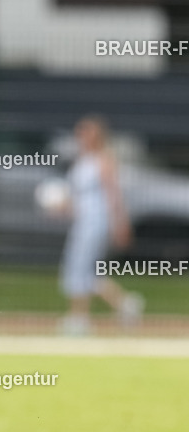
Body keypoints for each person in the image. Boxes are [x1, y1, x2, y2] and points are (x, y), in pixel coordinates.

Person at [57, 115, 144, 335]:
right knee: (84, 270)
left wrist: (120, 223)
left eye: (86, 132)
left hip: (96, 222)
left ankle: (79, 318)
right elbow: (77, 196)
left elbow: (113, 194)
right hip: (81, 222)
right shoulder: (81, 161)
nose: (81, 136)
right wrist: (61, 207)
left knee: (80, 267)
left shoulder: (103, 160)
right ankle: (124, 303)